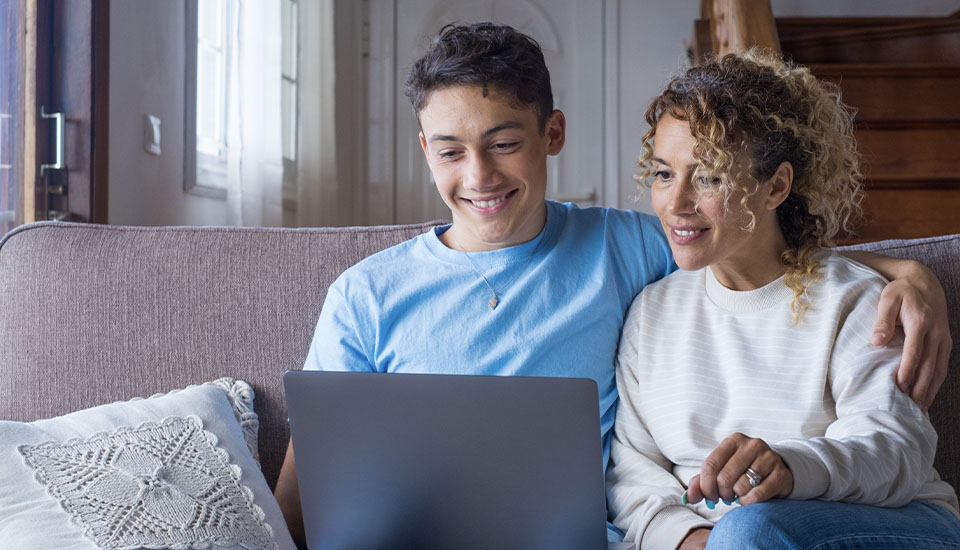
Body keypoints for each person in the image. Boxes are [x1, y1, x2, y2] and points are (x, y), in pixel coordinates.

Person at [274, 23, 952, 545]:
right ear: (426, 150)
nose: (478, 176)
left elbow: (761, 254)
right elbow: (309, 494)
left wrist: (911, 271)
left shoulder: (630, 250)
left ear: (553, 133)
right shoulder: (365, 295)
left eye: (504, 143)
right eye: (451, 151)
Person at [606, 50, 960, 550]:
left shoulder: (856, 299)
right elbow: (632, 472)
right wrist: (687, 536)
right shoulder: (652, 313)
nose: (676, 202)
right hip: (727, 539)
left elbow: (896, 452)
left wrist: (791, 467)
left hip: (886, 522)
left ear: (776, 186)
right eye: (664, 173)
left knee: (752, 529)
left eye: (709, 177)